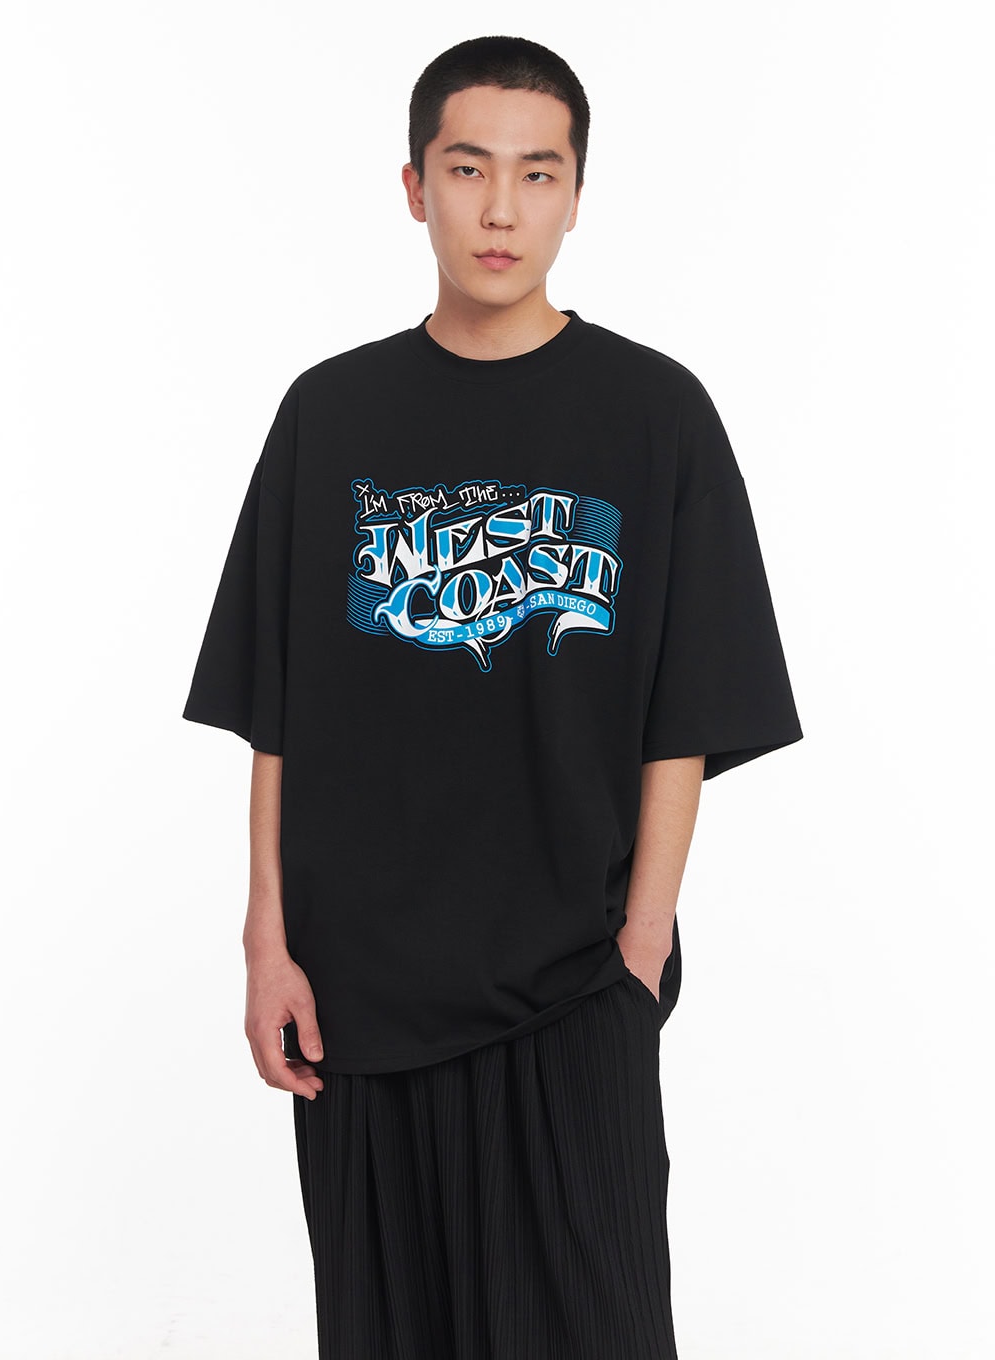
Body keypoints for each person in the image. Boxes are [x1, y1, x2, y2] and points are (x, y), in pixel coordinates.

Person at [182, 33, 803, 1360]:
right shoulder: (328, 416)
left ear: (578, 195)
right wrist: (267, 942)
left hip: (575, 986)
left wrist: (639, 951)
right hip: (358, 993)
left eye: (538, 173)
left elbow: (687, 713)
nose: (502, 209)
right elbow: (276, 707)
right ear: (415, 188)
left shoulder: (656, 414)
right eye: (468, 170)